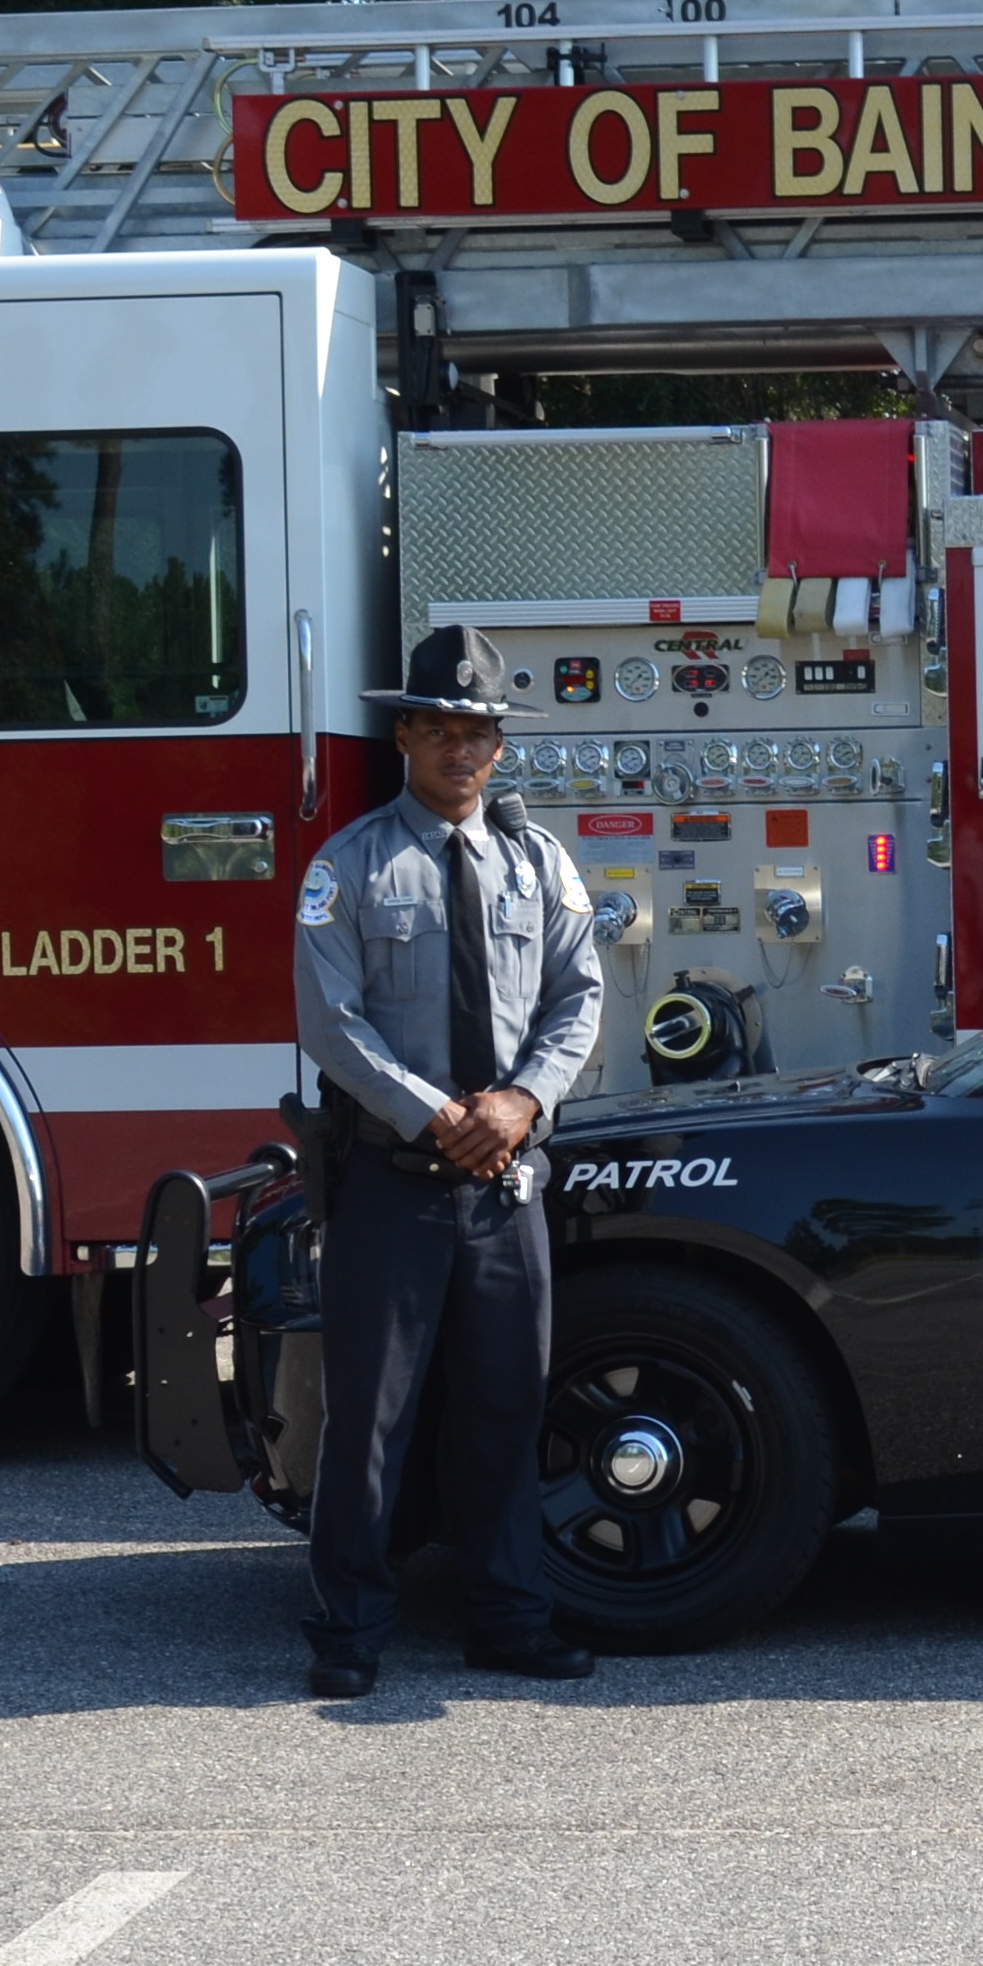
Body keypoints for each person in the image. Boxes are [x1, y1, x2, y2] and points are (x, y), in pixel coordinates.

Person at [290, 624, 607, 1698]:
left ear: (499, 747)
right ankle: (348, 1633)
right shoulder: (346, 867)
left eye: (477, 731)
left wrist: (520, 1102)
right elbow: (332, 1027)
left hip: (505, 1185)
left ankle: (508, 1620)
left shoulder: (539, 864)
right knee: (368, 1420)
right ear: (404, 736)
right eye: (439, 729)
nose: (460, 749)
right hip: (394, 1184)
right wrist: (439, 1117)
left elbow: (579, 999)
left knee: (506, 1408)